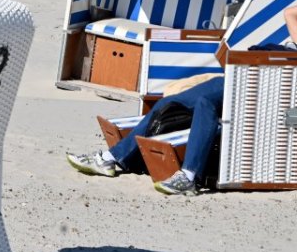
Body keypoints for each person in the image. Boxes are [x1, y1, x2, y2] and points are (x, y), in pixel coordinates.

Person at [66, 75, 224, 196]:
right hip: (234, 71)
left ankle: (189, 177)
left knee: (206, 103)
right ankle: (111, 158)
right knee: (169, 102)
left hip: (247, 79)